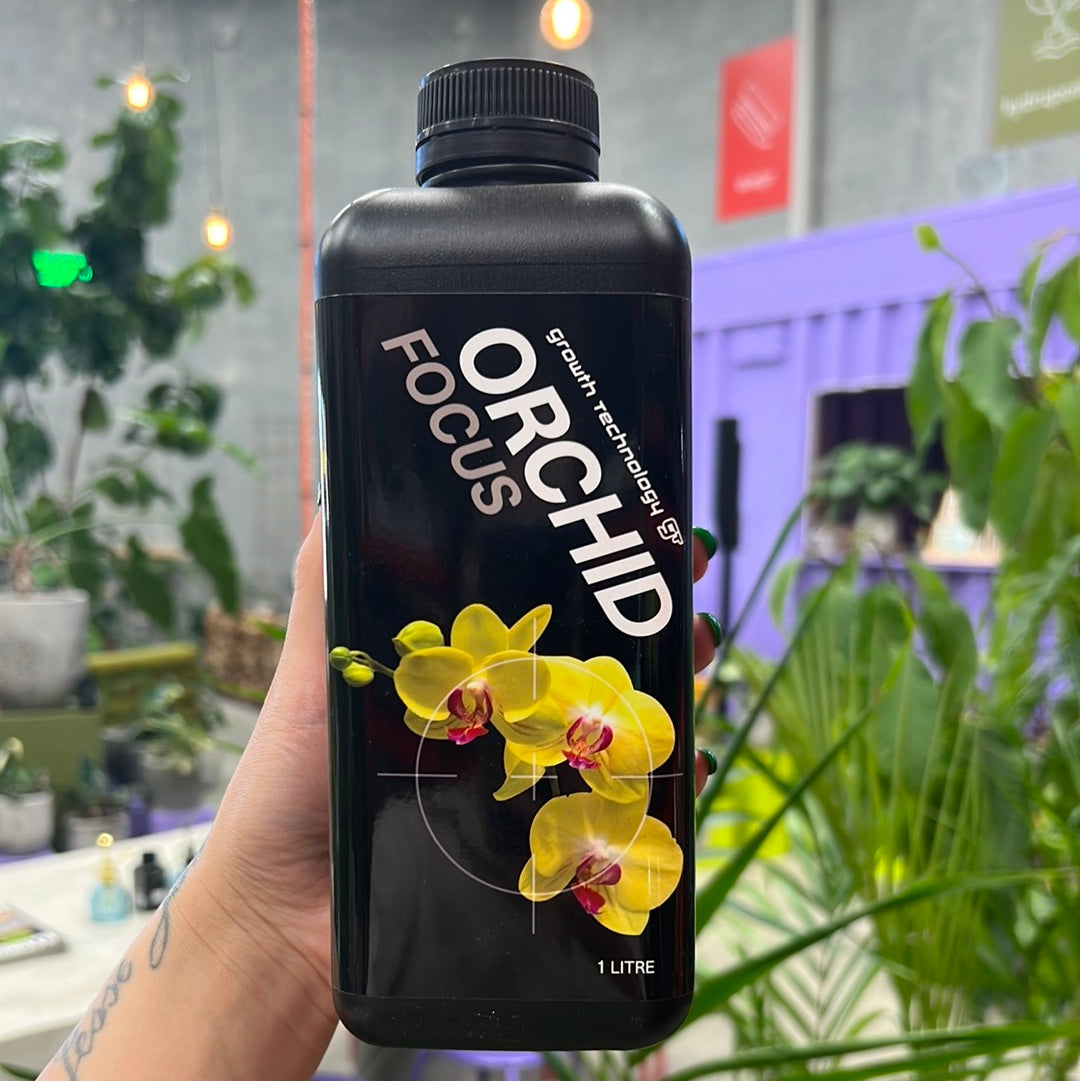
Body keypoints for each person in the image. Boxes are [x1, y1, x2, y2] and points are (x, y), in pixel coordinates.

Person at [39, 519, 723, 1081]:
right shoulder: (415, 614)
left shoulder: (541, 719)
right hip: (400, 893)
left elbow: (542, 748)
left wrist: (257, 928)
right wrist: (257, 921)